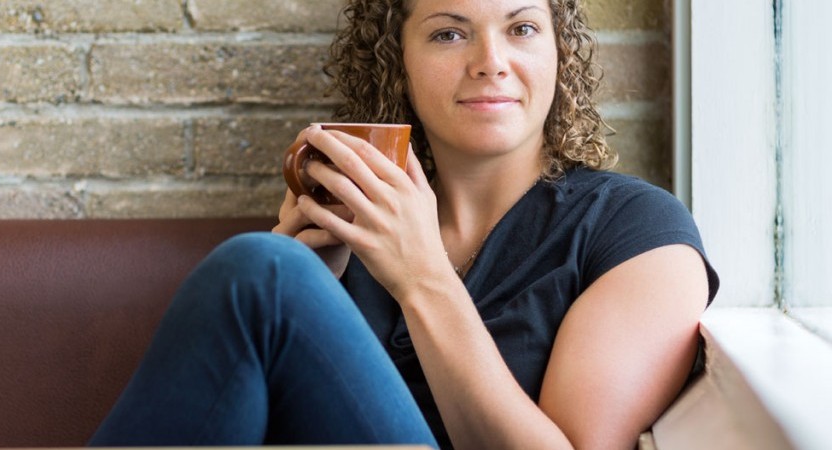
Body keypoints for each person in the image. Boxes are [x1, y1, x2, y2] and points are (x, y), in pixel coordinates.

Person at [88, 0, 719, 448]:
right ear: (400, 63)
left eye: (523, 27)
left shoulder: (635, 229)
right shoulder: (362, 215)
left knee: (261, 270)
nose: (490, 61)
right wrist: (305, 284)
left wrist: (423, 281)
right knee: (265, 268)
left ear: (559, 53)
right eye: (449, 34)